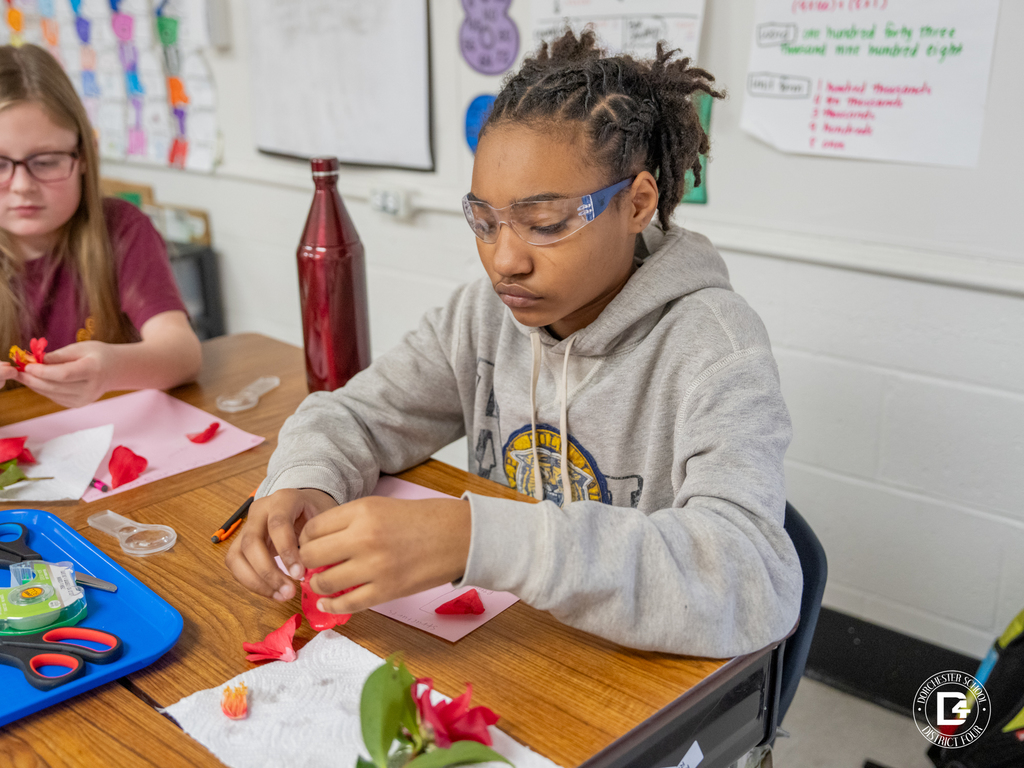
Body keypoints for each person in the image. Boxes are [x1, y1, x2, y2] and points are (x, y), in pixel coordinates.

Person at [228, 30, 802, 658]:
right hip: (513, 652)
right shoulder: (484, 314)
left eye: (546, 224)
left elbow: (754, 578)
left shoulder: (714, 347)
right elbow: (354, 414)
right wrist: (303, 482)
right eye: (485, 221)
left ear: (638, 203)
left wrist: (477, 537)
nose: (504, 260)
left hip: (638, 674)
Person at [0, 44, 200, 408]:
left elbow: (183, 353)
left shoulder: (121, 230)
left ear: (85, 156)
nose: (22, 185)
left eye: (45, 162)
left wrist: (112, 369)